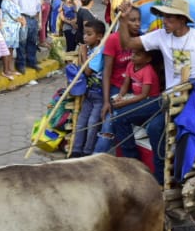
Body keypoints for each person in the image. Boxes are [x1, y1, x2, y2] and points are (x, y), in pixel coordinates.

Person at [117, 0, 195, 184]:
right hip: (168, 98)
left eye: (170, 18)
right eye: (163, 17)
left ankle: (159, 182)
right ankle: (133, 165)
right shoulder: (161, 36)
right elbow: (127, 44)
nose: (165, 22)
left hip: (190, 101)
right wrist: (123, 20)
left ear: (182, 20)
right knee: (120, 117)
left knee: (155, 128)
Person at [93, 46, 163, 158]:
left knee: (119, 115)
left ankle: (130, 154)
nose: (133, 57)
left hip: (149, 100)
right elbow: (125, 84)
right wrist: (120, 96)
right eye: (132, 53)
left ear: (148, 59)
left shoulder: (148, 71)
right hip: (136, 96)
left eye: (137, 55)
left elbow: (144, 95)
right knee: (114, 105)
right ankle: (111, 143)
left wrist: (125, 102)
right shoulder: (131, 65)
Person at [69, 19, 107, 158]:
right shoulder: (91, 48)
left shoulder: (100, 50)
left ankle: (87, 152)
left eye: (89, 34)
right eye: (84, 33)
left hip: (99, 94)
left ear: (99, 36)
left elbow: (88, 71)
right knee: (81, 122)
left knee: (92, 124)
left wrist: (84, 53)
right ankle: (76, 150)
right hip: (89, 93)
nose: (85, 37)